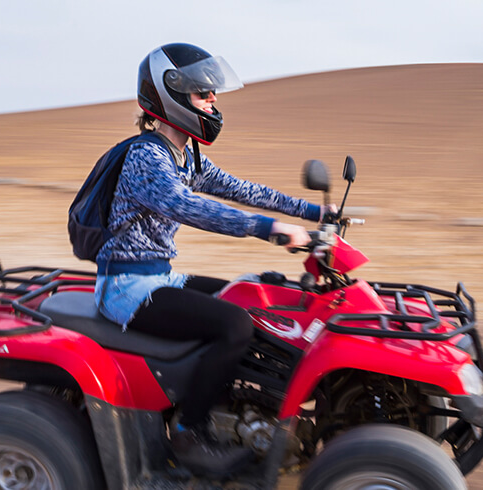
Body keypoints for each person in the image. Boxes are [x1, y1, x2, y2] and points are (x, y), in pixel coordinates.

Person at [94, 43, 322, 474]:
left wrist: (312, 213)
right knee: (234, 324)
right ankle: (189, 434)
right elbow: (190, 208)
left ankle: (240, 412)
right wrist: (268, 229)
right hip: (127, 288)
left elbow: (241, 190)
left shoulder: (185, 154)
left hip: (159, 278)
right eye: (203, 93)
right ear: (171, 96)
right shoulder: (147, 157)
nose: (213, 100)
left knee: (256, 298)